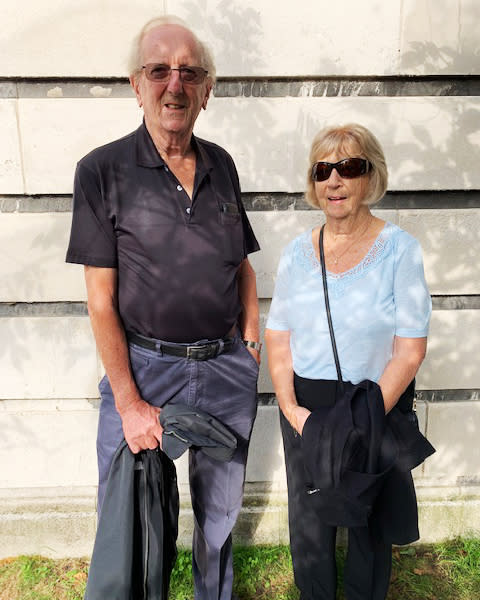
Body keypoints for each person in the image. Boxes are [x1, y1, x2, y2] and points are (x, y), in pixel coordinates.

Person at [66, 15, 261, 600]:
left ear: (207, 91)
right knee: (128, 520)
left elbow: (243, 265)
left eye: (190, 73)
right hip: (145, 371)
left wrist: (249, 343)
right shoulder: (100, 171)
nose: (174, 85)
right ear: (136, 83)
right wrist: (128, 403)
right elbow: (100, 299)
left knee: (220, 520)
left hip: (225, 369)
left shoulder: (222, 164)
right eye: (159, 71)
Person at [265, 123, 432, 600]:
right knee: (310, 515)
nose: (334, 180)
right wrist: (291, 408)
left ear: (370, 176)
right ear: (314, 183)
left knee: (368, 521)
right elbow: (278, 339)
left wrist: (370, 412)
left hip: (375, 399)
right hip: (307, 405)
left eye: (349, 167)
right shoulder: (297, 253)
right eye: (323, 170)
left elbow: (410, 348)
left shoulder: (400, 250)